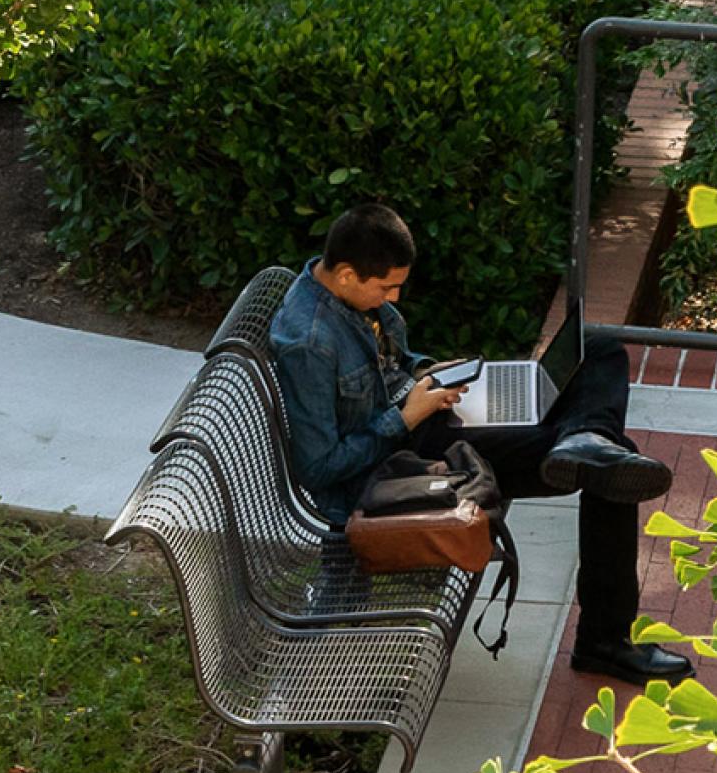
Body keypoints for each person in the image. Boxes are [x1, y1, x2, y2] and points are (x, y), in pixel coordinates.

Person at [268, 203, 693, 685]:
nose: (395, 296)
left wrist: (426, 373)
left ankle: (587, 437)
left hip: (423, 422)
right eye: (387, 287)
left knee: (596, 348)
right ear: (346, 275)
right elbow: (321, 467)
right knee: (611, 470)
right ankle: (604, 640)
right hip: (400, 467)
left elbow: (394, 362)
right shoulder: (309, 342)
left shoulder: (347, 298)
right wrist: (407, 415)